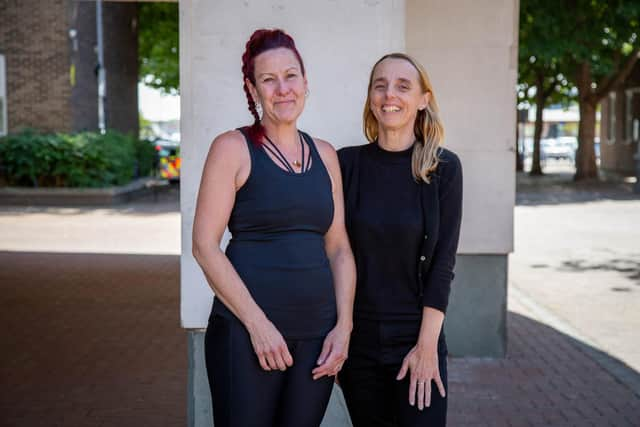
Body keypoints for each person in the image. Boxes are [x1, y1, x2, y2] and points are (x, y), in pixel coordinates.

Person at [192, 29, 355, 427]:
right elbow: (204, 246)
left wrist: (344, 327)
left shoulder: (326, 155)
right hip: (247, 336)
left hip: (317, 337)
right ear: (252, 88)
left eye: (291, 75)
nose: (283, 89)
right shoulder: (232, 148)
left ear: (305, 82)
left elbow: (339, 249)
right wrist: (258, 325)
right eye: (269, 79)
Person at [338, 53, 463, 427]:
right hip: (359, 343)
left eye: (403, 86)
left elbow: (443, 265)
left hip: (416, 338)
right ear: (370, 98)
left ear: (424, 99)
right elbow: (334, 251)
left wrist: (426, 347)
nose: (389, 94)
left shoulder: (443, 169)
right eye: (380, 85)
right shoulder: (346, 165)